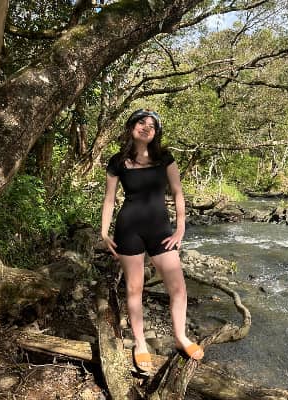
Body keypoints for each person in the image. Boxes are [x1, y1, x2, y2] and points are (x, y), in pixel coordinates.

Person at [101, 109, 204, 372]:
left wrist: (180, 228)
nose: (146, 127)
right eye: (141, 122)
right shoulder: (117, 161)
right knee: (134, 288)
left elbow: (178, 192)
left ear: (156, 133)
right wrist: (103, 232)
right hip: (129, 230)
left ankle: (180, 337)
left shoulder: (164, 158)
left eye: (152, 125)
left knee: (178, 288)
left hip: (161, 230)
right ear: (131, 127)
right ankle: (140, 343)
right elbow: (110, 199)